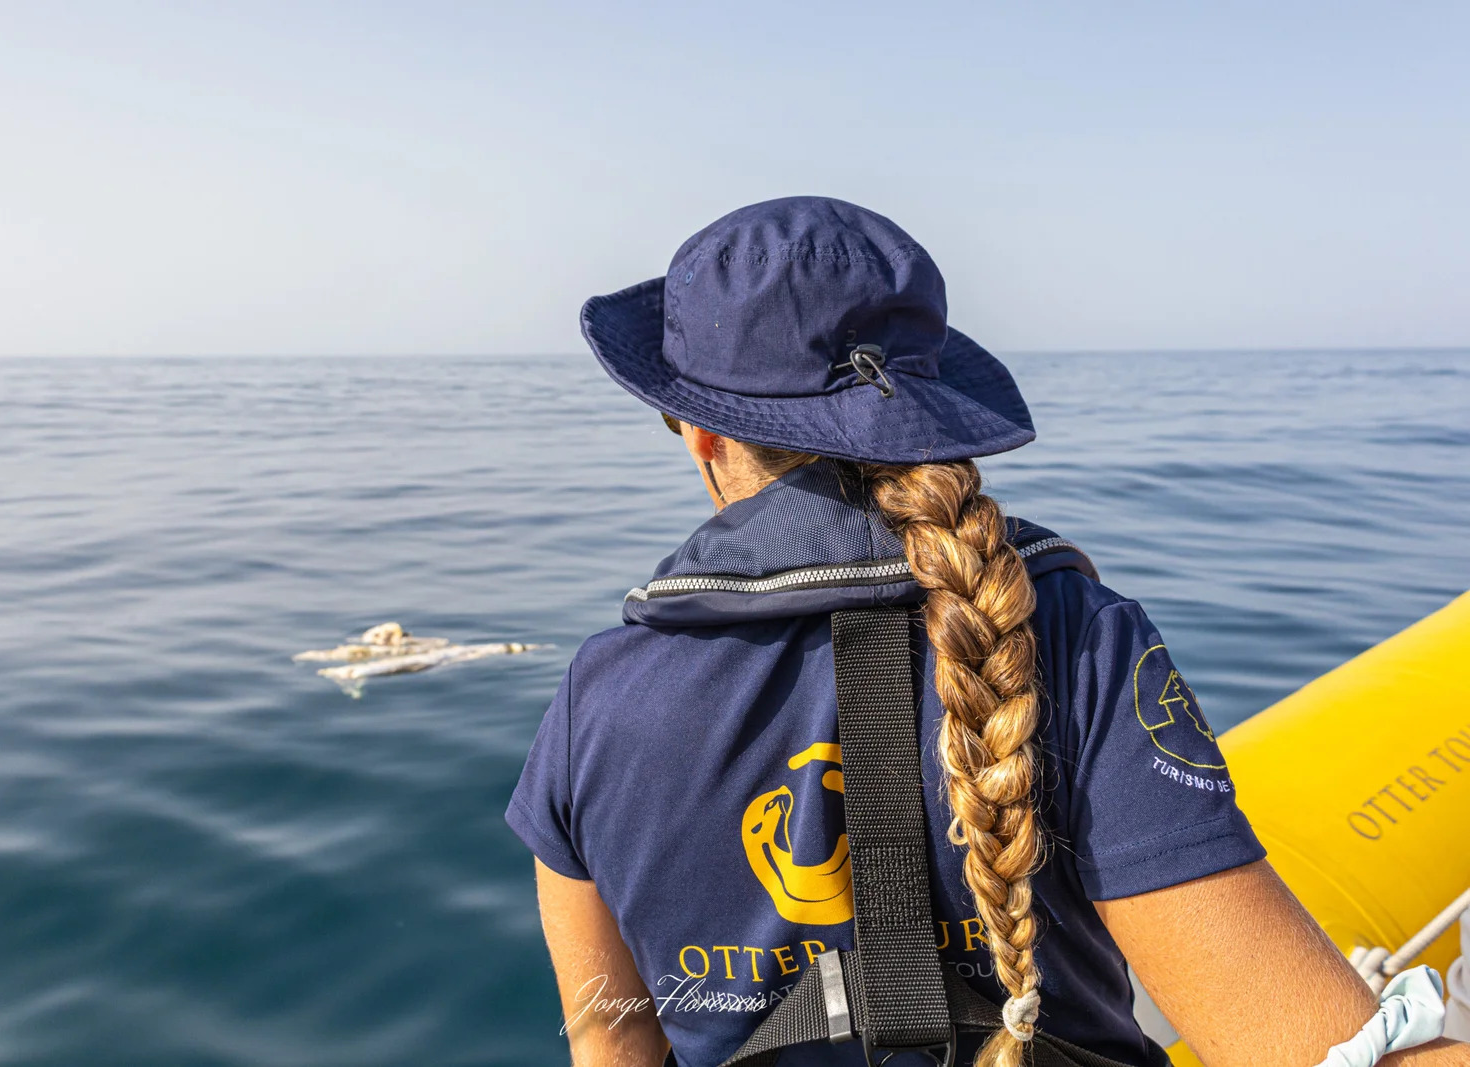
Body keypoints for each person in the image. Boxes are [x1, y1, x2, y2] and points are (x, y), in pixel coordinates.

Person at [504, 197, 1466, 1067]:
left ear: (705, 433)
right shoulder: (1074, 637)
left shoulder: (598, 694)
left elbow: (611, 1034)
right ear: (922, 401)